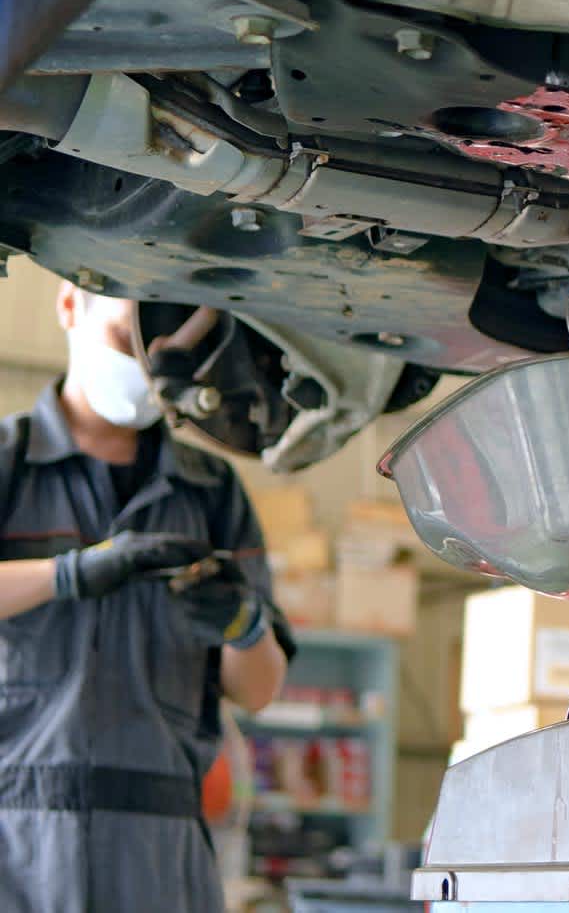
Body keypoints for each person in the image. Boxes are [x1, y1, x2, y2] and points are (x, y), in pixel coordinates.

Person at [0, 285, 293, 913]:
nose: (146, 369)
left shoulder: (211, 491)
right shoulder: (9, 465)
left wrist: (243, 627)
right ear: (69, 307)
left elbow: (260, 690)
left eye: (167, 354)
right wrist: (66, 576)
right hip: (16, 842)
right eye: (124, 341)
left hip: (160, 849)